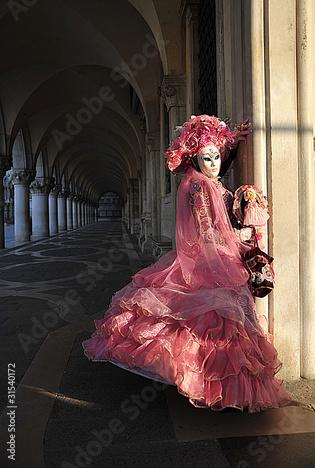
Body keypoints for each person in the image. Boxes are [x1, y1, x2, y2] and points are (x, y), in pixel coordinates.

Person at [83, 115, 290, 412]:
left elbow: (215, 173)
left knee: (216, 325)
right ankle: (214, 386)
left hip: (210, 258)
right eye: (208, 158)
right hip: (213, 261)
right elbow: (208, 229)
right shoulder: (199, 187)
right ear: (196, 160)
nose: (215, 162)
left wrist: (229, 143)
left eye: (218, 155)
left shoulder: (200, 180)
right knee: (217, 324)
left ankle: (212, 383)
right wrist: (239, 233)